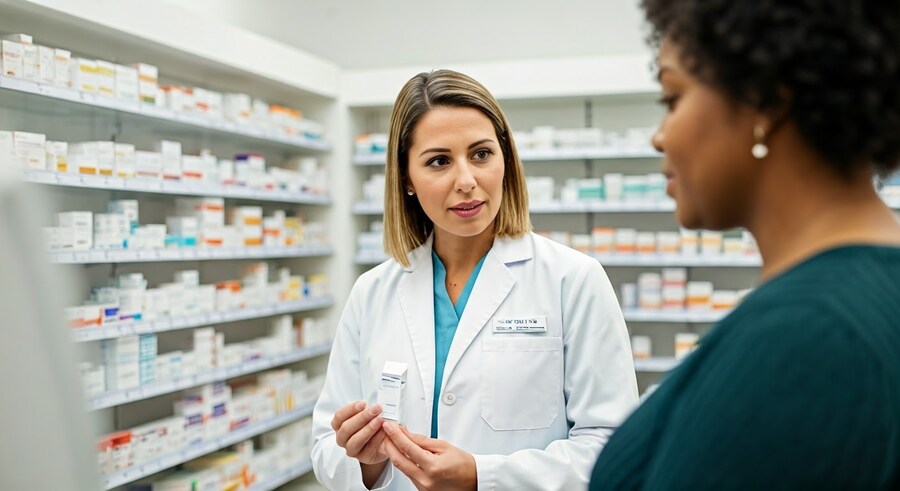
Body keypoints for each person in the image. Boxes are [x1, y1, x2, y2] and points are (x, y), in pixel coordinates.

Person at [590, 1, 900, 489]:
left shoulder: (808, 337)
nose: (659, 137)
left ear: (764, 103)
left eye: (672, 98)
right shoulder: (871, 291)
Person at [311, 69, 638, 490]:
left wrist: (482, 477)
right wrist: (366, 462)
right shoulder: (372, 292)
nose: (466, 181)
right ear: (407, 178)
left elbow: (614, 447)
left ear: (505, 159)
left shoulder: (573, 280)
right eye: (439, 161)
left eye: (481, 154)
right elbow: (325, 446)